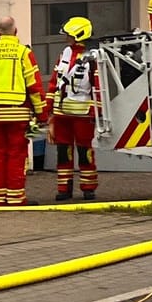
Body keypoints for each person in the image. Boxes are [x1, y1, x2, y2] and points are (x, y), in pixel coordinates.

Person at [0, 17, 47, 206]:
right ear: (15, 31)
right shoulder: (23, 53)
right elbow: (34, 86)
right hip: (18, 113)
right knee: (16, 155)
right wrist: (41, 114)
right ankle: (15, 197)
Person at [49, 17, 103, 201]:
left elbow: (98, 86)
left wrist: (98, 112)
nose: (66, 39)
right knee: (63, 152)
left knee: (84, 151)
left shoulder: (93, 57)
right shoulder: (64, 53)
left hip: (82, 114)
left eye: (69, 36)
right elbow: (54, 81)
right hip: (61, 114)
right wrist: (48, 108)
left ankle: (88, 188)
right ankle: (64, 189)